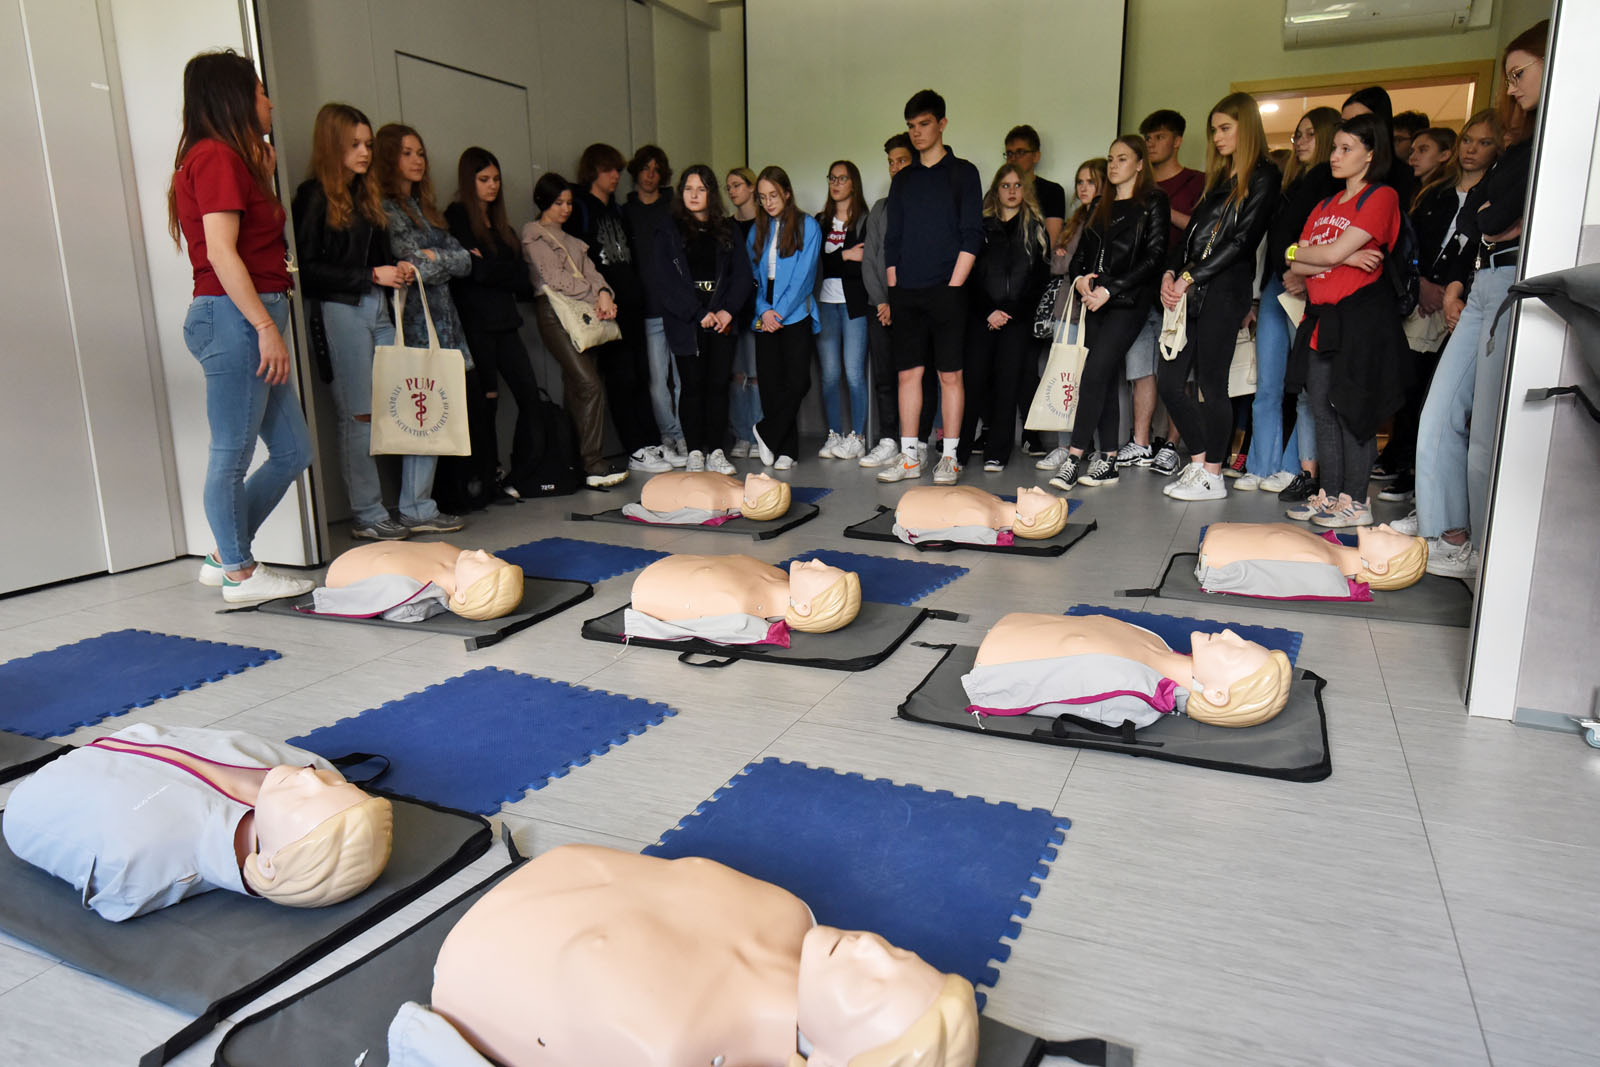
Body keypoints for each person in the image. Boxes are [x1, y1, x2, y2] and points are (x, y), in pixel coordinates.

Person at [390, 845, 978, 1067]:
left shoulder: (674, 1043)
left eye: (871, 985)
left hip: (478, 953)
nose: (871, 947)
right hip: (549, 887)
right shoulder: (789, 913)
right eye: (898, 954)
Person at [170, 51, 315, 605]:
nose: (270, 102)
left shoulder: (230, 159)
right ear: (234, 98)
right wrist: (263, 326)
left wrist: (264, 175)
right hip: (235, 318)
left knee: (293, 451)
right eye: (259, 92)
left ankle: (225, 556)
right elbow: (221, 252)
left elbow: (249, 240)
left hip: (246, 315)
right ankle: (240, 573)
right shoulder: (214, 157)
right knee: (231, 452)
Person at [5, 723, 392, 922]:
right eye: (335, 784)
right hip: (130, 743)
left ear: (268, 864)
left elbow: (119, 890)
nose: (311, 779)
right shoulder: (307, 766)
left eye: (307, 799)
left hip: (39, 791)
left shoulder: (140, 865)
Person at [1413, 20, 1546, 579]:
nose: (1512, 87)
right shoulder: (1517, 146)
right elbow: (1477, 217)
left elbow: (1497, 214)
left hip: (1516, 280)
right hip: (1483, 281)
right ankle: (1448, 533)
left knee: (1486, 428)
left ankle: (1486, 553)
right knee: (1439, 412)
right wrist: (1463, 275)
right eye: (1508, 77)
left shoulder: (1552, 137)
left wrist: (1495, 219)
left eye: (1519, 74)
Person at [291, 104, 422, 547]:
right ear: (333, 146)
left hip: (377, 308)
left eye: (367, 144)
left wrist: (395, 270)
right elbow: (306, 270)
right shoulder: (314, 196)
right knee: (359, 416)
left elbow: (375, 262)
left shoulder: (367, 196)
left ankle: (409, 506)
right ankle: (368, 513)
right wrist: (370, 275)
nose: (365, 152)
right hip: (341, 309)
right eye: (354, 144)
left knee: (397, 408)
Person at [1282, 113, 1410, 528]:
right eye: (1334, 148)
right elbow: (1296, 263)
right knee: (1321, 408)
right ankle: (1331, 496)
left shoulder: (1380, 196)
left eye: (1346, 149)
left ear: (1370, 154)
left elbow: (1316, 255)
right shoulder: (1323, 205)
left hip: (1359, 318)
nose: (1334, 156)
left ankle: (1356, 501)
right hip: (1321, 318)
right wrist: (1343, 256)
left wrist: (1326, 254)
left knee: (1352, 409)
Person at [1157, 93, 1278, 502]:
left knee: (1212, 385)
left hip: (1225, 292)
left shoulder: (1264, 176)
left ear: (1247, 127)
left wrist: (1190, 276)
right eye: (1214, 130)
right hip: (1193, 290)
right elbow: (1192, 236)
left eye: (1226, 128)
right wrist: (1171, 272)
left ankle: (1213, 473)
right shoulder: (1220, 179)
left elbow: (1242, 242)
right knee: (1170, 382)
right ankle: (1199, 463)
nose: (1218, 137)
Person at [1049, 134, 1169, 491]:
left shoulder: (1153, 201)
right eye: (1111, 158)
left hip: (1128, 301)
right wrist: (1081, 281)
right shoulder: (1101, 204)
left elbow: (1154, 257)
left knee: (1095, 372)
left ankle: (1074, 458)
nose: (1114, 165)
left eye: (1122, 158)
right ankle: (1109, 459)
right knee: (1103, 376)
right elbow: (1081, 257)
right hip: (1095, 300)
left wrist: (1110, 289)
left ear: (1139, 164)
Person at [878, 89, 984, 486]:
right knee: (908, 375)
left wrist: (953, 287)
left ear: (941, 124)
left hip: (948, 290)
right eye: (911, 126)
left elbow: (971, 235)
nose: (917, 132)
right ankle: (909, 457)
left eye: (924, 124)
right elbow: (892, 239)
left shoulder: (964, 173)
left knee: (950, 375)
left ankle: (950, 457)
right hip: (906, 291)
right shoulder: (904, 180)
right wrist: (894, 287)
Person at [373, 122, 472, 534]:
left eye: (420, 153)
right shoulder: (385, 208)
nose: (417, 161)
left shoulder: (425, 207)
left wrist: (436, 259)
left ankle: (421, 504)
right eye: (407, 153)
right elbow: (408, 262)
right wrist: (437, 258)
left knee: (433, 411)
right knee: (419, 413)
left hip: (443, 321)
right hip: (412, 322)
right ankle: (416, 506)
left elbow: (464, 260)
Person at [1244, 105, 1342, 500]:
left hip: (1306, 286)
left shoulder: (1330, 182)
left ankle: (1293, 468)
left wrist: (1302, 272)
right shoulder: (1293, 180)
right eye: (1296, 135)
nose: (1300, 141)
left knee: (1303, 384)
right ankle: (1260, 465)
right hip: (1275, 284)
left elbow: (1327, 241)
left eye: (1309, 134)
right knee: (1267, 384)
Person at [964, 613, 1293, 729]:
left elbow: (1038, 689)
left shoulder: (1131, 693)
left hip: (992, 661)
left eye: (1235, 651)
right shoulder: (1158, 645)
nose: (1231, 634)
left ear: (1217, 695)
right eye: (1242, 639)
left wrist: (988, 689)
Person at [642, 164, 754, 474]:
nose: (694, 195)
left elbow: (742, 276)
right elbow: (665, 282)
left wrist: (727, 311)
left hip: (722, 321)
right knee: (691, 387)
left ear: (711, 194)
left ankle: (716, 451)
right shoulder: (668, 231)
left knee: (718, 385)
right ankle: (694, 451)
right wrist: (697, 312)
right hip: (686, 323)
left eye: (701, 189)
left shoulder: (727, 229)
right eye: (688, 189)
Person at [444, 147, 539, 504]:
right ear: (469, 181)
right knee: (485, 407)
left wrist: (489, 268)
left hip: (506, 323)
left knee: (529, 397)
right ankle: (486, 479)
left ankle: (519, 475)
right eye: (484, 179)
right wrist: (494, 270)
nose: (492, 185)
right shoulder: (456, 216)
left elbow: (521, 278)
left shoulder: (502, 226)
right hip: (476, 326)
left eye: (496, 179)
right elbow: (472, 272)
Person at [522, 172, 627, 488]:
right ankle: (593, 463)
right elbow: (556, 280)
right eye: (558, 203)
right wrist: (597, 296)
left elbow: (594, 274)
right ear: (543, 202)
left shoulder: (571, 239)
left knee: (576, 387)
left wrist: (605, 294)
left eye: (569, 203)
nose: (565, 209)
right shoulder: (534, 233)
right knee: (589, 384)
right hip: (555, 313)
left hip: (582, 313)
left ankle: (574, 463)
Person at [567, 143, 662, 470]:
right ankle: (635, 448)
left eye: (618, 170)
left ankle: (652, 442)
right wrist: (596, 296)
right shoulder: (581, 207)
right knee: (622, 377)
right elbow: (576, 259)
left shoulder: (618, 210)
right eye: (608, 169)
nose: (615, 176)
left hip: (633, 304)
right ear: (593, 170)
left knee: (640, 374)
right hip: (606, 307)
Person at [1123, 109, 1206, 475]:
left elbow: (1203, 231)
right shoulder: (1136, 183)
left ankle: (1172, 444)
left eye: (1159, 136)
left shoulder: (1197, 182)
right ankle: (1141, 442)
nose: (1152, 143)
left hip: (1180, 286)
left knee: (1177, 371)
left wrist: (1160, 209)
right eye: (1148, 137)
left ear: (1177, 140)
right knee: (1141, 367)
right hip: (1141, 286)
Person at [961, 163, 1050, 473]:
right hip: (982, 316)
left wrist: (1010, 312)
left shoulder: (1035, 228)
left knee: (1007, 383)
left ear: (1025, 190)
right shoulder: (980, 228)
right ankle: (959, 450)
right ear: (995, 191)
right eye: (1005, 185)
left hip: (1017, 319)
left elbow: (1039, 280)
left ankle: (997, 452)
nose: (1012, 191)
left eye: (1017, 185)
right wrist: (989, 310)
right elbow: (969, 276)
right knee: (974, 381)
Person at [859, 133, 931, 469]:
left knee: (920, 375)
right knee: (885, 375)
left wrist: (897, 302)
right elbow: (871, 258)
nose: (895, 167)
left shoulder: (926, 205)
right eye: (891, 162)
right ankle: (888, 439)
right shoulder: (880, 208)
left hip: (914, 306)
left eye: (901, 160)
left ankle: (918, 442)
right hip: (881, 307)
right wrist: (881, 301)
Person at [1032, 158, 1106, 473]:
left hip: (1096, 308)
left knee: (1095, 378)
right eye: (1080, 182)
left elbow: (1080, 263)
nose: (1083, 187)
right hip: (1067, 307)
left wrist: (1068, 259)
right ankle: (1065, 447)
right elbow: (1057, 263)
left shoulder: (1107, 218)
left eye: (1091, 181)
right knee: (1065, 376)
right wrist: (1066, 259)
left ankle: (1101, 448)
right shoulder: (1076, 219)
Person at [746, 166, 821, 471]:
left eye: (773, 195)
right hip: (764, 308)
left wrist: (778, 312)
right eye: (763, 197)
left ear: (787, 193)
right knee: (771, 383)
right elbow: (750, 277)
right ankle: (783, 449)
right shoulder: (756, 230)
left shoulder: (808, 225)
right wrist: (763, 309)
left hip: (794, 310)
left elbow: (805, 277)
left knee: (798, 380)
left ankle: (767, 432)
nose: (768, 202)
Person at [628, 556, 863, 641]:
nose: (818, 562)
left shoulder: (739, 604)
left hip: (651, 584)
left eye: (821, 572)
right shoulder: (776, 574)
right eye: (826, 565)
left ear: (803, 607)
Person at [625, 145, 686, 467]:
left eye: (656, 170)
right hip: (646, 308)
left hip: (677, 306)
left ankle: (685, 434)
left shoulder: (673, 207)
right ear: (636, 172)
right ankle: (669, 435)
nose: (650, 175)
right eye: (645, 169)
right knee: (656, 380)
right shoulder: (626, 212)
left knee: (683, 378)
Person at [1197, 521, 1427, 599]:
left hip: (1214, 553)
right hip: (1218, 536)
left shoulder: (1321, 566)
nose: (1385, 526)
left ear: (1379, 566)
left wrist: (1214, 577)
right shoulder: (1329, 546)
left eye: (1393, 537)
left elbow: (1258, 578)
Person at [814, 160, 872, 461]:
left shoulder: (865, 221)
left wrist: (841, 260)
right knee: (829, 375)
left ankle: (857, 437)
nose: (835, 184)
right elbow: (818, 265)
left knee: (854, 374)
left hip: (855, 304)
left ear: (854, 183)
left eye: (842, 178)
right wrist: (846, 255)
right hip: (825, 303)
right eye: (832, 178)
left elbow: (865, 266)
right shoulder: (820, 221)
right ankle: (834, 434)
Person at [318, 540, 525, 621]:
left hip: (340, 570)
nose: (481, 551)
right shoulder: (458, 558)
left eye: (480, 563)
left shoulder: (409, 589)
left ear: (461, 595)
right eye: (490, 557)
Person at [724, 166, 763, 458]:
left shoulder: (766, 223)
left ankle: (758, 433)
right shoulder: (726, 226)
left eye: (737, 185)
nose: (732, 191)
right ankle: (741, 435)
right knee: (737, 375)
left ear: (752, 187)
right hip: (733, 310)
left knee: (757, 375)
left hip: (760, 307)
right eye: (729, 187)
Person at [894, 485, 1068, 546]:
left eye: (1040, 496)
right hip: (910, 499)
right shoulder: (994, 501)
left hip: (906, 508)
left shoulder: (982, 518)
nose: (1037, 488)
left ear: (1029, 520)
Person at [621, 471, 792, 526]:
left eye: (765, 481)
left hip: (654, 489)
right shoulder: (737, 484)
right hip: (661, 481)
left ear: (752, 502)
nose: (763, 474)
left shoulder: (710, 502)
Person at [1341, 87, 1416, 211]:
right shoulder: (1329, 173)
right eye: (1345, 123)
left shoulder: (1402, 175)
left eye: (1360, 122)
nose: (1350, 130)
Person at [1004, 123, 1068, 245]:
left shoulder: (1052, 192)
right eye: (1009, 153)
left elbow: (1050, 242)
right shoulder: (996, 193)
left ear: (1036, 156)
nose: (1013, 158)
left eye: (1020, 152)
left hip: (1036, 255)